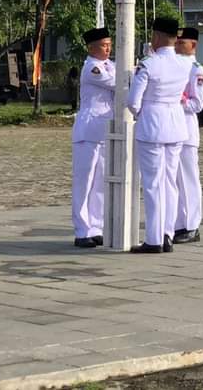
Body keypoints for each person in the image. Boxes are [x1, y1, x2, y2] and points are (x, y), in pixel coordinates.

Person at [128, 17, 192, 254]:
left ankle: (154, 238)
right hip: (176, 124)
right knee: (170, 183)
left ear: (156, 37)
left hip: (153, 126)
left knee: (153, 184)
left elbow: (133, 102)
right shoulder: (185, 64)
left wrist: (145, 112)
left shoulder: (148, 64)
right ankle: (167, 234)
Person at [70, 27, 115, 248]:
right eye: (103, 45)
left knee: (99, 182)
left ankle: (96, 227)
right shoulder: (92, 68)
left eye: (109, 44)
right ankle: (82, 229)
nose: (108, 48)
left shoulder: (110, 66)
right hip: (88, 130)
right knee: (84, 181)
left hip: (103, 130)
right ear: (91, 48)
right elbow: (118, 83)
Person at [174, 28, 203, 245]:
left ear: (193, 45)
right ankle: (179, 224)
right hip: (173, 130)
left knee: (188, 180)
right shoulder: (175, 65)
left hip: (186, 131)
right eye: (176, 41)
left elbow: (197, 104)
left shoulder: (196, 70)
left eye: (182, 42)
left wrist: (179, 101)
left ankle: (192, 225)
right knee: (176, 182)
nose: (177, 45)